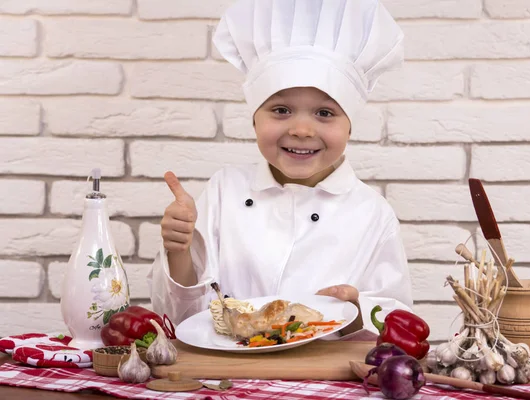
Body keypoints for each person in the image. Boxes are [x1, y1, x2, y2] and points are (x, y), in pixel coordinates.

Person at [148, 0, 413, 334]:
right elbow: (181, 318)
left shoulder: (372, 212)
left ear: (350, 126)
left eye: (325, 113)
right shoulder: (224, 190)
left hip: (323, 378)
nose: (301, 130)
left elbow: (400, 320)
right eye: (281, 110)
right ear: (254, 120)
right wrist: (179, 251)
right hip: (226, 372)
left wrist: (360, 310)